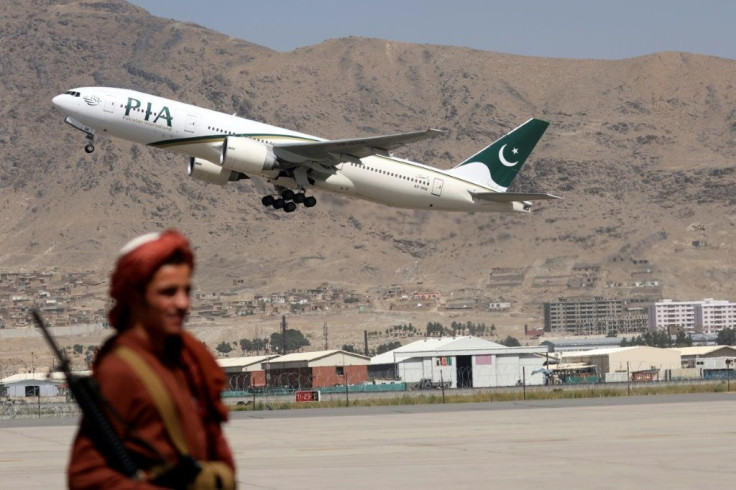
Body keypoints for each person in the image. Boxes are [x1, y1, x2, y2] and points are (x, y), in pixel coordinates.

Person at [68, 230, 236, 489]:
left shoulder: (187, 360)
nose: (182, 303)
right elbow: (86, 476)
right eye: (168, 292)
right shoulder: (121, 370)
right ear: (135, 296)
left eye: (186, 291)